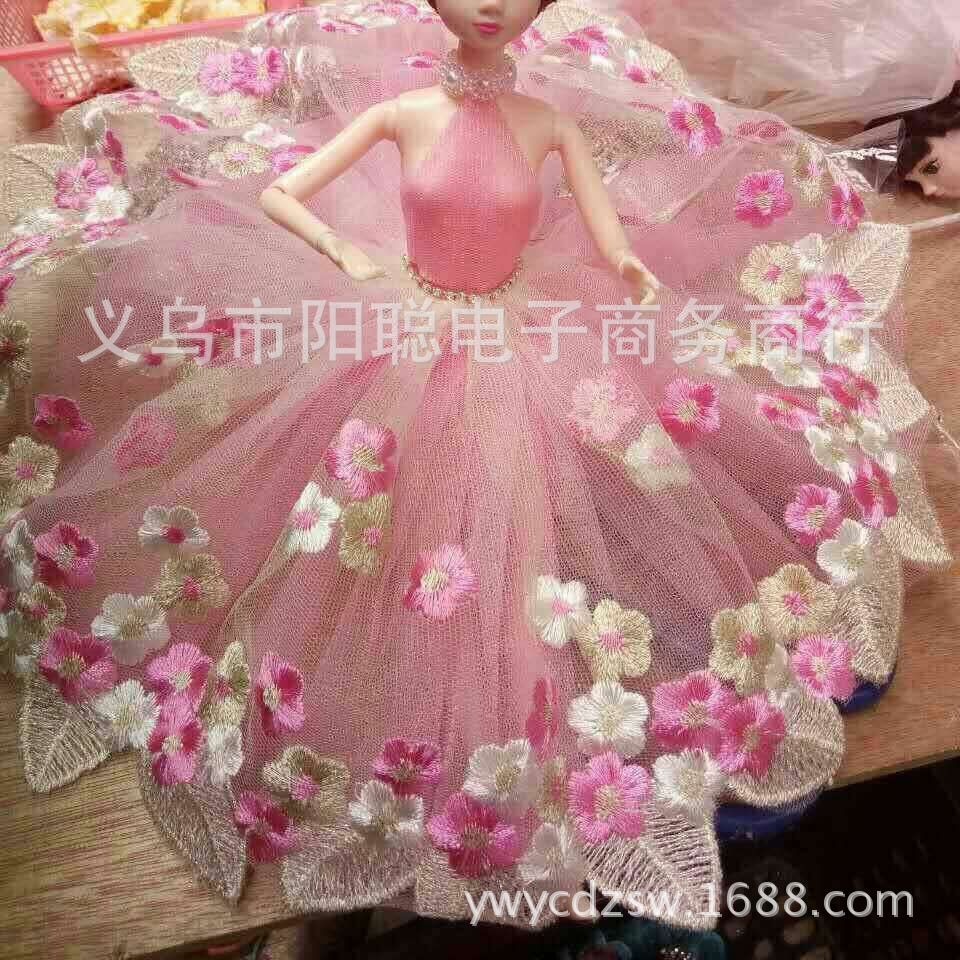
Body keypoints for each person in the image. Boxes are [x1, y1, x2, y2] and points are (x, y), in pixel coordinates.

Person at [0, 0, 950, 925]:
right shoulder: (403, 112)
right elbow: (286, 192)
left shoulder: (545, 123)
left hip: (526, 322)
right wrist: (338, 249)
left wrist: (627, 269)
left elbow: (608, 230)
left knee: (546, 506)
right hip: (395, 314)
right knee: (361, 502)